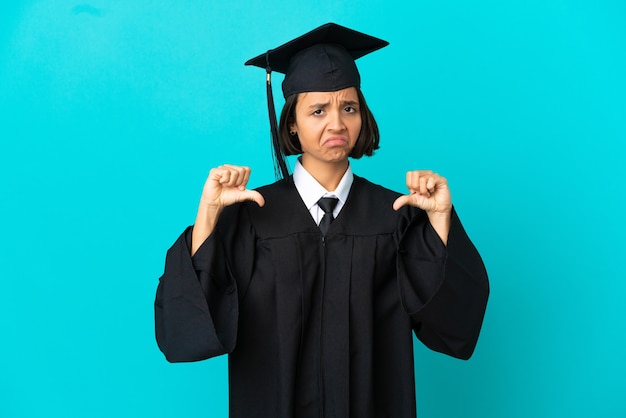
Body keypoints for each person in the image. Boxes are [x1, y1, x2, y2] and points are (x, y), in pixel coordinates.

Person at [155, 23, 489, 418]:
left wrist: (440, 223)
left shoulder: (397, 216)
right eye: (318, 110)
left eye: (348, 108)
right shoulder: (250, 217)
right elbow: (183, 332)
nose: (336, 124)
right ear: (292, 123)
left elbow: (451, 324)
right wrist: (209, 216)